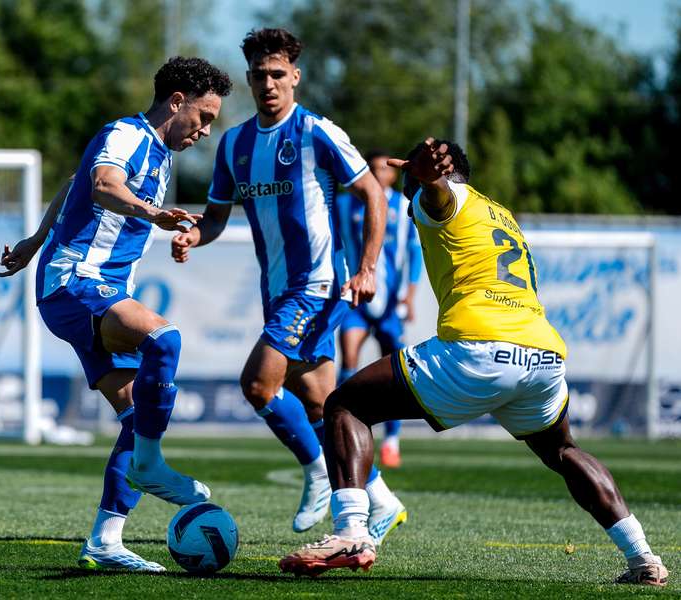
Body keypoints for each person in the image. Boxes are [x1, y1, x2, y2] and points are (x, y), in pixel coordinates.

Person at [278, 138, 670, 588]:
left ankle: (351, 533)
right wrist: (431, 178)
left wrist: (428, 180)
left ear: (440, 174)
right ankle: (643, 556)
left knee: (346, 405)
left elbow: (439, 197)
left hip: (478, 350)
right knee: (564, 450)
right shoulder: (500, 213)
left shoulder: (444, 198)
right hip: (542, 358)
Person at [171, 28, 406, 544]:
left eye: (278, 74)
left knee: (258, 385)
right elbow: (214, 219)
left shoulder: (317, 132)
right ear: (249, 80)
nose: (269, 83)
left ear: (295, 77)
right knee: (324, 405)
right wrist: (194, 233)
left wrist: (366, 268)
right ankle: (381, 499)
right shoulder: (234, 144)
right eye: (259, 75)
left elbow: (374, 193)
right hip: (276, 291)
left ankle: (319, 468)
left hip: (316, 285)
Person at [0, 56, 232, 572]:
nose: (206, 130)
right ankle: (151, 466)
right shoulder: (126, 134)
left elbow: (75, 181)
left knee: (135, 415)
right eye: (204, 116)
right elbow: (102, 183)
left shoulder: (160, 153)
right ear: (177, 101)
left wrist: (36, 239)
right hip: (76, 283)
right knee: (163, 340)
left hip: (93, 287)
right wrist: (152, 213)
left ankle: (105, 540)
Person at [337, 149, 423, 469]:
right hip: (356, 300)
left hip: (390, 304)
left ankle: (392, 440)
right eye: (370, 168)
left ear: (392, 175)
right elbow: (336, 245)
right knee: (348, 357)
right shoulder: (346, 205)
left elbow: (414, 256)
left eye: (382, 169)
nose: (377, 173)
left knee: (394, 369)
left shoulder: (403, 207)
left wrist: (410, 297)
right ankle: (342, 431)